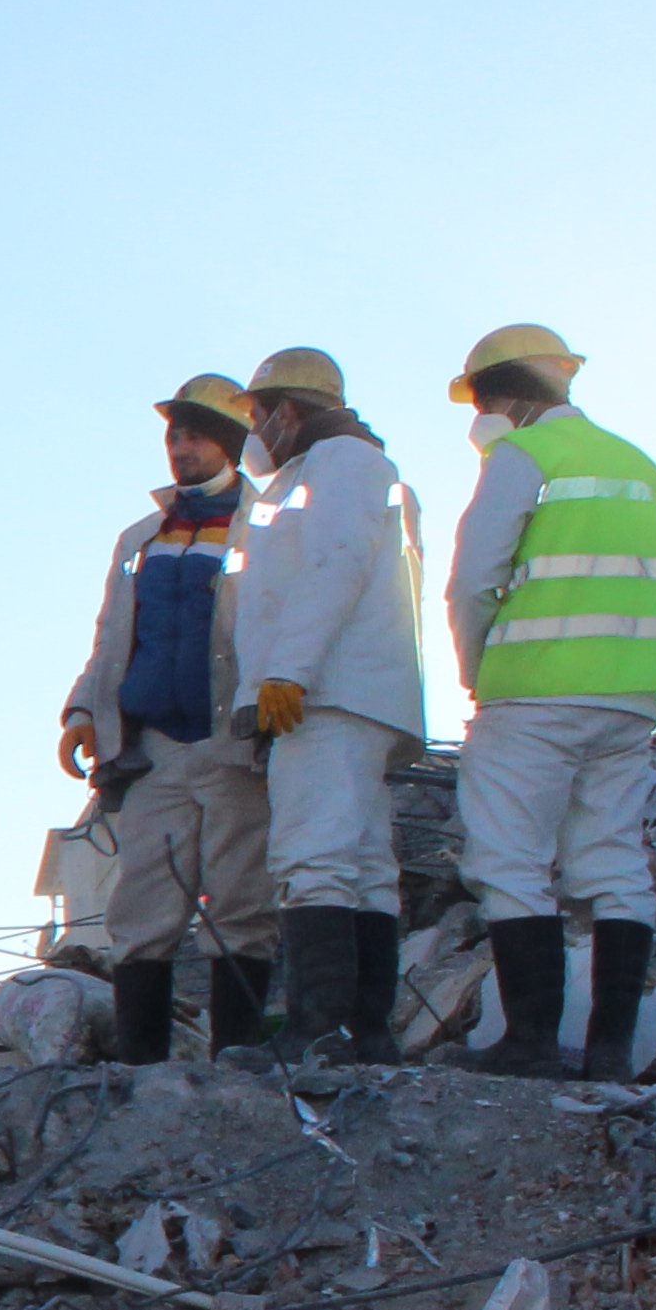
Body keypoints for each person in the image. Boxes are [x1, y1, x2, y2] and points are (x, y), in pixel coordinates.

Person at [441, 324, 656, 1077]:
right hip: (632, 693)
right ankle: (610, 1050)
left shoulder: (523, 456)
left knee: (511, 859)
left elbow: (473, 579)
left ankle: (531, 1041)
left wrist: (480, 671)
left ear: (502, 397)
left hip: (536, 690)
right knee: (613, 863)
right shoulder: (641, 465)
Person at [61, 373, 276, 1063]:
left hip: (232, 741)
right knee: (143, 905)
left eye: (195, 435)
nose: (180, 449)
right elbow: (112, 637)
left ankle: (237, 1057)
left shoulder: (265, 522)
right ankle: (142, 1066)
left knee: (242, 898)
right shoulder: (140, 539)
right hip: (155, 747)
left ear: (230, 443)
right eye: (174, 436)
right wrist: (82, 711)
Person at [230, 347, 432, 1059]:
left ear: (286, 411)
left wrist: (286, 672)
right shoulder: (361, 469)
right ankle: (365, 1034)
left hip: (326, 693)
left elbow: (331, 562)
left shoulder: (338, 467)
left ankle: (321, 1032)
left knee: (312, 857)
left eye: (257, 415)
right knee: (365, 864)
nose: (253, 431)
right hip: (357, 693)